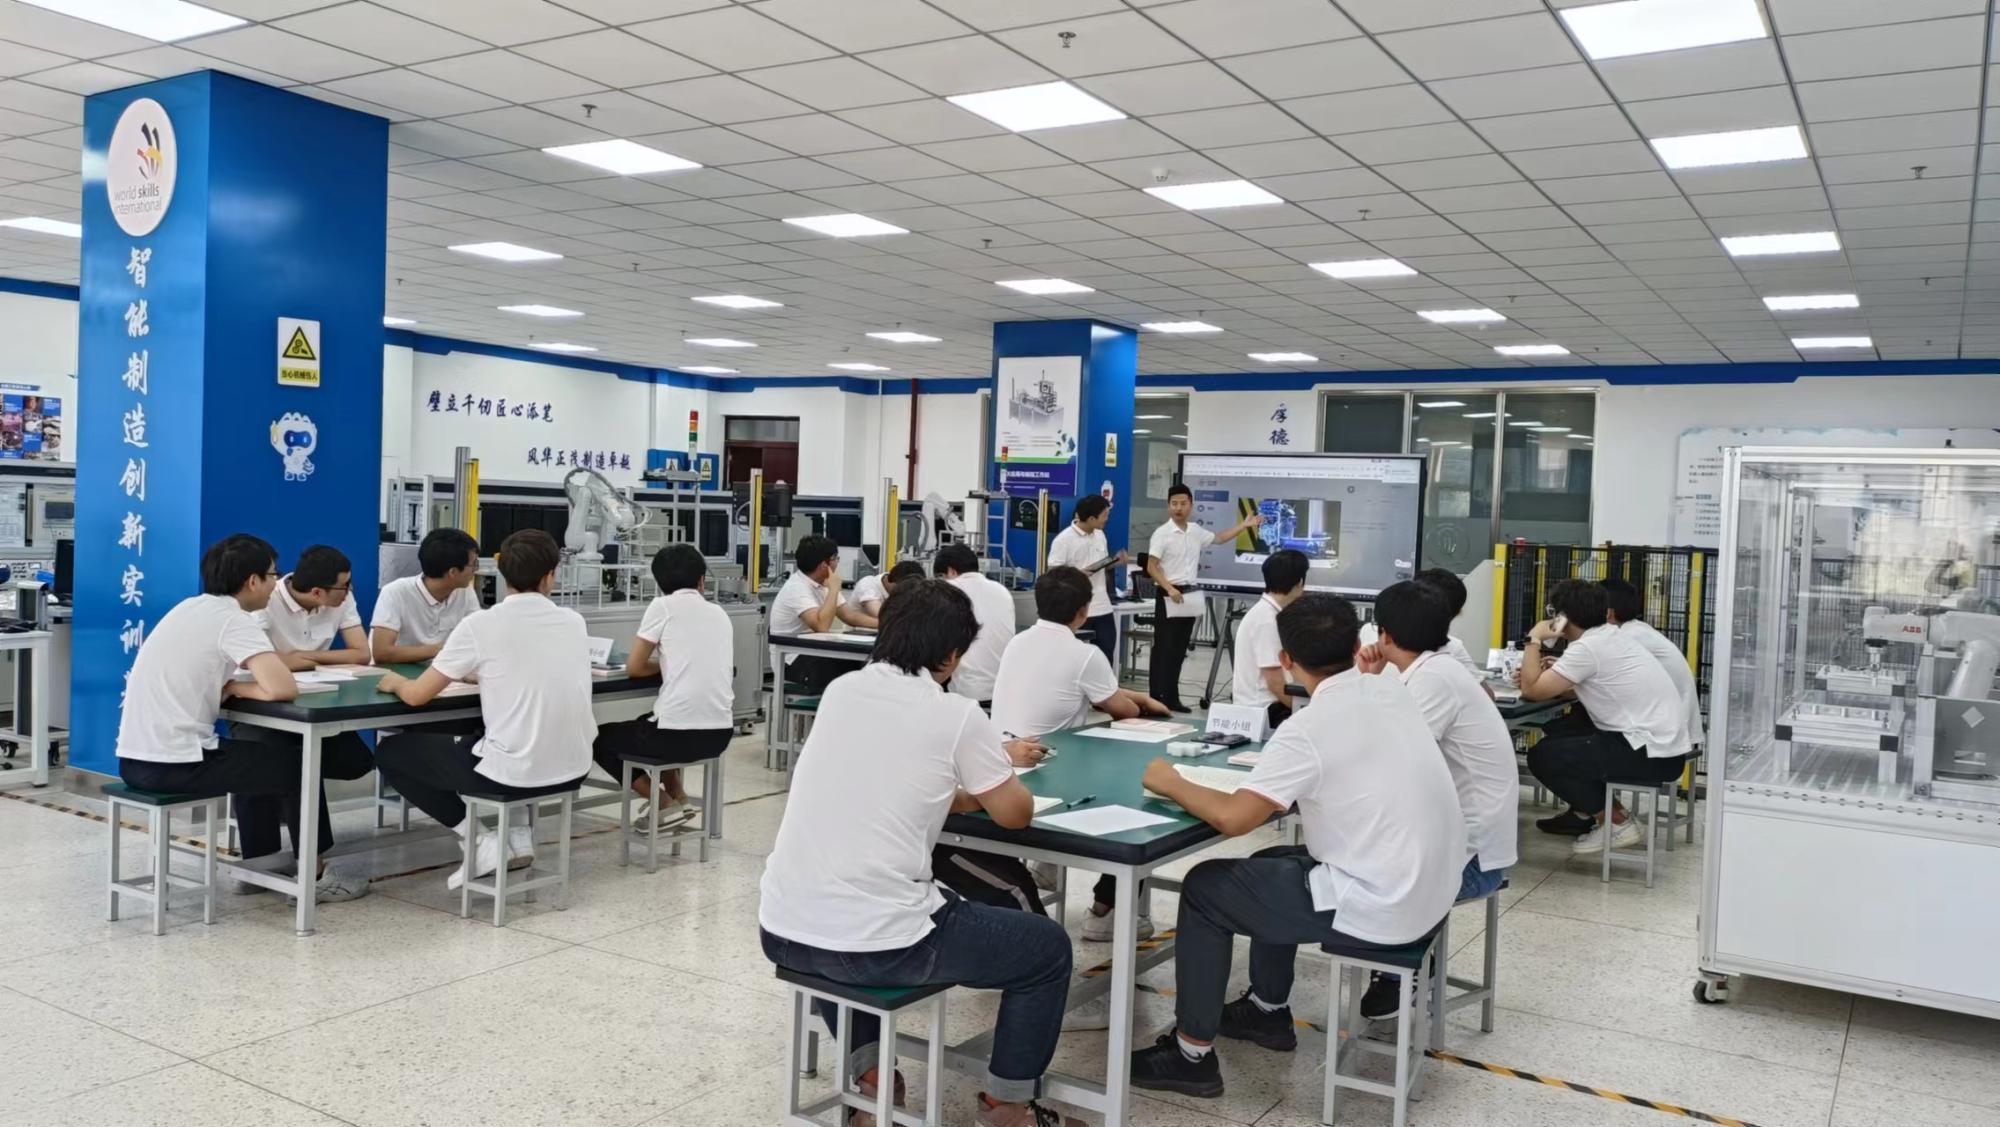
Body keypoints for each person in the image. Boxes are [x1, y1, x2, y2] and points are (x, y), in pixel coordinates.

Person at [758, 579, 1080, 1127]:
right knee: (1046, 950)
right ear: (951, 655)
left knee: (850, 920)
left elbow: (890, 778)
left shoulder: (842, 691)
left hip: (783, 927)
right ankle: (1008, 1108)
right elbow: (1015, 814)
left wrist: (954, 790)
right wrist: (986, 773)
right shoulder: (955, 713)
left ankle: (873, 1082)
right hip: (881, 943)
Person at [1128, 594, 1466, 1098]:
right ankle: (1267, 1011)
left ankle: (1190, 1054)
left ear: (1286, 659)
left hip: (1384, 902)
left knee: (1205, 887)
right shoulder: (1391, 690)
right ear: (1355, 645)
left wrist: (1170, 781)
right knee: (1270, 863)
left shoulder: (1308, 727)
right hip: (1433, 886)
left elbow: (1234, 818)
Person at [116, 535, 368, 903]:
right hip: (180, 761)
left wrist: (234, 686)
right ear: (253, 581)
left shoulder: (187, 608)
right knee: (300, 766)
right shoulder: (233, 620)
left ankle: (259, 867)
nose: (275, 583)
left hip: (134, 759)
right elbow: (281, 687)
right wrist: (238, 687)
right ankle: (315, 877)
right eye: (272, 575)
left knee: (260, 757)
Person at [373, 529, 595, 888]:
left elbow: (416, 696)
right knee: (492, 733)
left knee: (392, 753)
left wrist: (394, 682)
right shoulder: (574, 621)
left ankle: (480, 839)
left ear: (502, 572)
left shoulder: (480, 624)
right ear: (551, 575)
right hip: (575, 767)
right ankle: (514, 834)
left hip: (515, 772)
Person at [1355, 580, 1518, 1018]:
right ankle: (1397, 960)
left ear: (1384, 634)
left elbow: (1391, 759)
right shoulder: (1434, 669)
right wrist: (1370, 680)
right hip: (1461, 840)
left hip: (1474, 860)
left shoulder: (1434, 680)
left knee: (1360, 871)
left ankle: (1401, 972)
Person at [991, 566, 1170, 948]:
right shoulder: (1085, 654)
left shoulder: (1018, 643)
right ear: (1084, 611)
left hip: (1005, 767)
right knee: (1135, 791)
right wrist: (1140, 701)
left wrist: (1128, 696)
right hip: (1048, 772)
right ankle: (1106, 912)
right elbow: (1123, 711)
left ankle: (1047, 865)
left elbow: (1093, 690)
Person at [1519, 578, 1692, 854]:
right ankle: (1597, 813)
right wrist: (1557, 673)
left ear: (1562, 618)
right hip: (1662, 750)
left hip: (1649, 754)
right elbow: (1584, 684)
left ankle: (1617, 822)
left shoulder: (1588, 648)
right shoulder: (1610, 636)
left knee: (1543, 756)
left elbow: (1531, 690)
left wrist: (1534, 638)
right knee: (1561, 734)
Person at [590, 544, 735, 832]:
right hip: (720, 734)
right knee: (649, 721)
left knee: (598, 739)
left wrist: (664, 663)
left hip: (676, 736)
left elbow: (634, 667)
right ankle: (679, 797)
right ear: (701, 580)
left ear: (659, 583)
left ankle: (663, 803)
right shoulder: (719, 613)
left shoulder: (662, 606)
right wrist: (671, 662)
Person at [1146, 484, 1263, 713]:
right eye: (1174, 504)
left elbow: (1219, 538)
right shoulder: (1162, 533)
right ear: (1168, 506)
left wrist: (1244, 525)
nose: (1178, 508)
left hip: (1188, 594)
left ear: (1190, 505)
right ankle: (1157, 697)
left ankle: (1171, 697)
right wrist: (1169, 588)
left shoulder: (1195, 530)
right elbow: (1151, 566)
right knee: (1164, 647)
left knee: (1179, 648)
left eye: (1183, 503)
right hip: (1169, 594)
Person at [1601, 577, 1704, 752]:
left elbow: (1594, 680)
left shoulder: (1627, 638)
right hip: (1670, 728)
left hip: (1661, 738)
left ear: (1608, 613)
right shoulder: (1637, 630)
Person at [768, 534, 876, 694]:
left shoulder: (822, 584)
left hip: (814, 652)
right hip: (792, 660)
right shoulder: (797, 588)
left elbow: (850, 616)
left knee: (864, 665)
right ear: (824, 565)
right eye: (835, 558)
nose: (837, 563)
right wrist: (833, 589)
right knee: (851, 673)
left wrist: (887, 623)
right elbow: (821, 626)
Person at [371, 527, 481, 665]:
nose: (476, 569)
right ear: (453, 572)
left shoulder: (465, 592)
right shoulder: (395, 592)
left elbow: (477, 639)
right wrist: (439, 650)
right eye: (474, 564)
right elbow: (382, 653)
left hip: (443, 670)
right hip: (397, 670)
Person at [252, 545, 372, 667]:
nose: (350, 589)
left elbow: (362, 654)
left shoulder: (344, 598)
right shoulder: (264, 599)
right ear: (317, 593)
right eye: (344, 585)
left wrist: (301, 656)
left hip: (320, 676)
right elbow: (252, 657)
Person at [1230, 549, 1310, 729]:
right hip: (1265, 711)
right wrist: (1305, 712)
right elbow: (1275, 683)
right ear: (1300, 582)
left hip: (1265, 707)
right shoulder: (1267, 621)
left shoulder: (1267, 613)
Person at [1046, 494, 1124, 666]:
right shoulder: (1063, 540)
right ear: (1091, 519)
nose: (1107, 518)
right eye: (1104, 515)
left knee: (1105, 655)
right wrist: (1079, 574)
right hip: (1076, 608)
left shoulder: (1100, 535)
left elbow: (1102, 564)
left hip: (1102, 606)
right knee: (1074, 659)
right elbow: (1054, 574)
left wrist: (1114, 562)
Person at [934, 544, 1016, 707]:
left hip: (966, 693)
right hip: (1003, 692)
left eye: (941, 576)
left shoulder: (949, 590)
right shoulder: (1002, 591)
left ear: (951, 571)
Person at [852, 559, 926, 619]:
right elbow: (881, 616)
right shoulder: (867, 585)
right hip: (856, 632)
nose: (908, 594)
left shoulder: (903, 587)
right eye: (906, 589)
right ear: (894, 579)